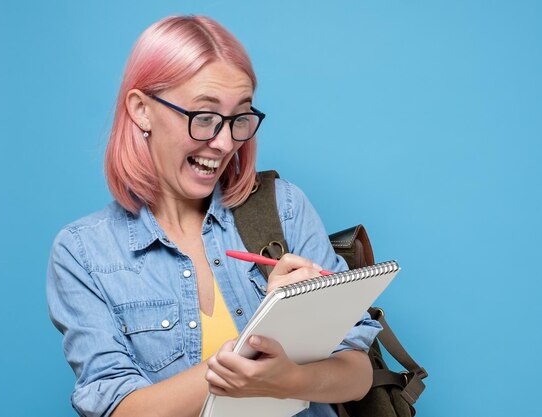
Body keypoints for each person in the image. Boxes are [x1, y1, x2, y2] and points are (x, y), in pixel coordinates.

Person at [47, 15, 381, 417]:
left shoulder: (284, 208)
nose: (224, 143)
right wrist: (261, 339)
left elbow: (357, 374)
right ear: (141, 110)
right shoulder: (84, 252)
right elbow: (119, 409)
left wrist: (291, 377)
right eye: (203, 117)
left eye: (240, 118)